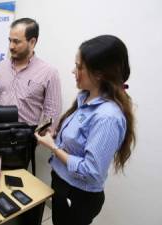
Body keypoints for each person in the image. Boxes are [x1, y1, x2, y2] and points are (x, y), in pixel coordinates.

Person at [35, 35, 136, 225]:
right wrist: (55, 137)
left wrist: (54, 148)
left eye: (80, 67)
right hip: (63, 183)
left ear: (99, 74)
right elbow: (78, 140)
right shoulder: (85, 98)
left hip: (78, 195)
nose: (74, 71)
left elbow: (91, 171)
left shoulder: (107, 117)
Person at [0, 18, 62, 129]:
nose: (11, 46)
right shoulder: (0, 67)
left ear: (32, 42)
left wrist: (38, 135)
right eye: (10, 40)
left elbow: (52, 112)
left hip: (26, 137)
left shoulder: (49, 72)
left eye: (16, 41)